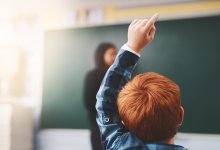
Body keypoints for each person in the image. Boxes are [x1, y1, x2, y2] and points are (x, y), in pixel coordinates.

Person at [96, 13, 187, 150]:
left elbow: (105, 103)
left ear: (124, 122)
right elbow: (105, 105)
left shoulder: (119, 146)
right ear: (180, 115)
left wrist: (132, 47)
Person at [83, 42, 117, 150]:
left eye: (116, 54)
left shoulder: (117, 75)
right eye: (111, 54)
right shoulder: (92, 76)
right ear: (101, 55)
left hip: (117, 127)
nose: (115, 57)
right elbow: (88, 102)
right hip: (99, 128)